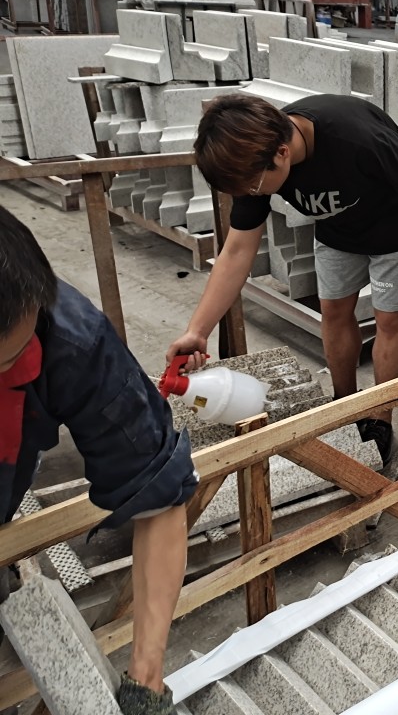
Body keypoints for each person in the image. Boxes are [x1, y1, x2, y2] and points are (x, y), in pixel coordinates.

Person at [167, 94, 398, 460]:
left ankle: (379, 417)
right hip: (336, 233)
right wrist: (197, 331)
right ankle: (344, 402)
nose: (252, 195)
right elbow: (236, 251)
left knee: (390, 319)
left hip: (394, 232)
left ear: (282, 152)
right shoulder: (253, 159)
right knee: (333, 311)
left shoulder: (357, 137)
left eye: (254, 187)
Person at [0, 203, 196, 715]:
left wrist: (146, 682)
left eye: (16, 356)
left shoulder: (70, 339)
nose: (18, 367)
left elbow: (155, 491)